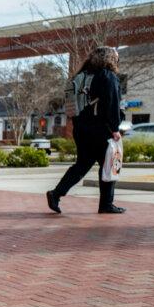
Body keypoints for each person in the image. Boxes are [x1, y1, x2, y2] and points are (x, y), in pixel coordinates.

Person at [46, 46, 125, 214]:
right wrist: (115, 128)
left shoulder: (81, 76)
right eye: (116, 58)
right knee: (109, 165)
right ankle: (106, 204)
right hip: (101, 130)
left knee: (82, 165)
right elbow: (112, 104)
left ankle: (56, 194)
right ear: (110, 59)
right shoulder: (108, 76)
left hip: (81, 129)